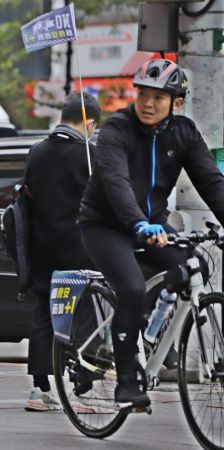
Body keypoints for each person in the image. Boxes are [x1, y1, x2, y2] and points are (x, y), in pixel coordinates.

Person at [78, 59, 224, 409]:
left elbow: (210, 182)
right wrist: (138, 223)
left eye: (158, 97)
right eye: (143, 93)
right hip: (106, 224)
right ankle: (126, 383)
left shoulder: (184, 133)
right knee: (129, 288)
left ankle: (150, 332)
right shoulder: (117, 129)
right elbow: (116, 182)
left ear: (177, 102)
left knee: (196, 268)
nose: (147, 102)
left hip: (154, 223)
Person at [23, 92, 100, 412]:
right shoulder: (88, 155)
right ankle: (81, 389)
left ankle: (40, 390)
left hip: (40, 248)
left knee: (44, 314)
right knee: (83, 315)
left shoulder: (37, 152)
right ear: (90, 123)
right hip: (78, 250)